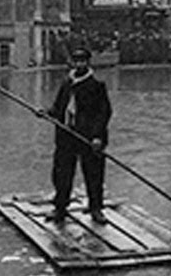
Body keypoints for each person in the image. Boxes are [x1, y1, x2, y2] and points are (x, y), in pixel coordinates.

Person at [35, 46, 113, 223]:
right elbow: (58, 108)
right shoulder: (66, 83)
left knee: (93, 175)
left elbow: (104, 113)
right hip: (66, 136)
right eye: (76, 61)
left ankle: (96, 209)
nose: (79, 65)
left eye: (82, 61)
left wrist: (97, 137)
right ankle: (60, 208)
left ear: (88, 63)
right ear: (72, 62)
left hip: (88, 139)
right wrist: (45, 112)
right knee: (62, 174)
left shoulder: (96, 86)